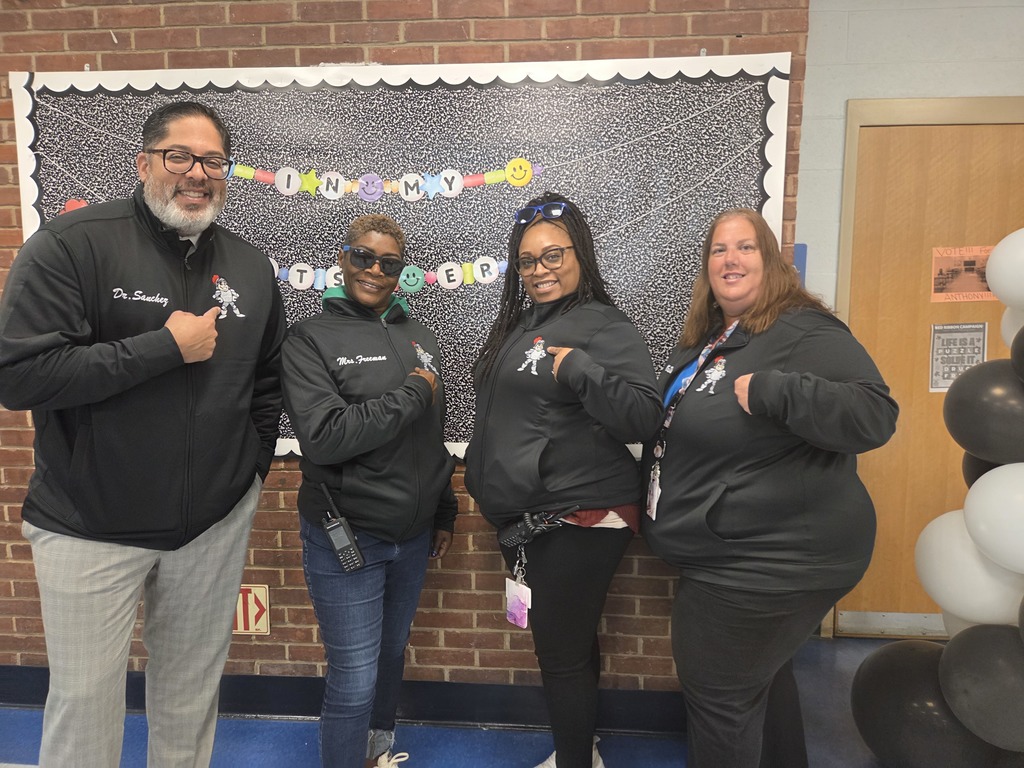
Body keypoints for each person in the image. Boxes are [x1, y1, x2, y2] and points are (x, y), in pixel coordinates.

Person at [0, 101, 286, 767]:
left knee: (188, 706)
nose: (196, 173)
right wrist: (161, 348)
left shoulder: (247, 266)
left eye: (212, 161)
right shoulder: (74, 245)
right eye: (178, 156)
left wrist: (248, 476)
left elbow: (266, 385)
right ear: (144, 163)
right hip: (86, 525)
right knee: (84, 709)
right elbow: (20, 377)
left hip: (209, 528)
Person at [642, 208, 899, 768]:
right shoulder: (714, 339)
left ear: (771, 261)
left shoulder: (801, 328)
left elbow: (875, 415)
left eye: (746, 248)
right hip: (730, 554)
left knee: (719, 700)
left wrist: (776, 391)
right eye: (718, 250)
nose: (730, 260)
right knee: (755, 689)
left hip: (766, 562)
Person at [464, 192, 663, 768]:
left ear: (581, 255)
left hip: (580, 515)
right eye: (527, 261)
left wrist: (581, 368)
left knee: (560, 653)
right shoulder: (522, 324)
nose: (540, 271)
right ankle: (581, 750)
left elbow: (644, 416)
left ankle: (575, 761)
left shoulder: (604, 325)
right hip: (533, 518)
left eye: (553, 256)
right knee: (568, 645)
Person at [281, 214, 457, 768]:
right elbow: (326, 436)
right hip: (347, 537)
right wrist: (412, 393)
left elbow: (434, 436)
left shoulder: (419, 337)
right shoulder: (310, 338)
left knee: (389, 658)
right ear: (343, 259)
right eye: (363, 256)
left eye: (388, 263)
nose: (374, 271)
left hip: (413, 535)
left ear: (401, 272)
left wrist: (444, 509)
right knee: (354, 679)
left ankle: (377, 753)